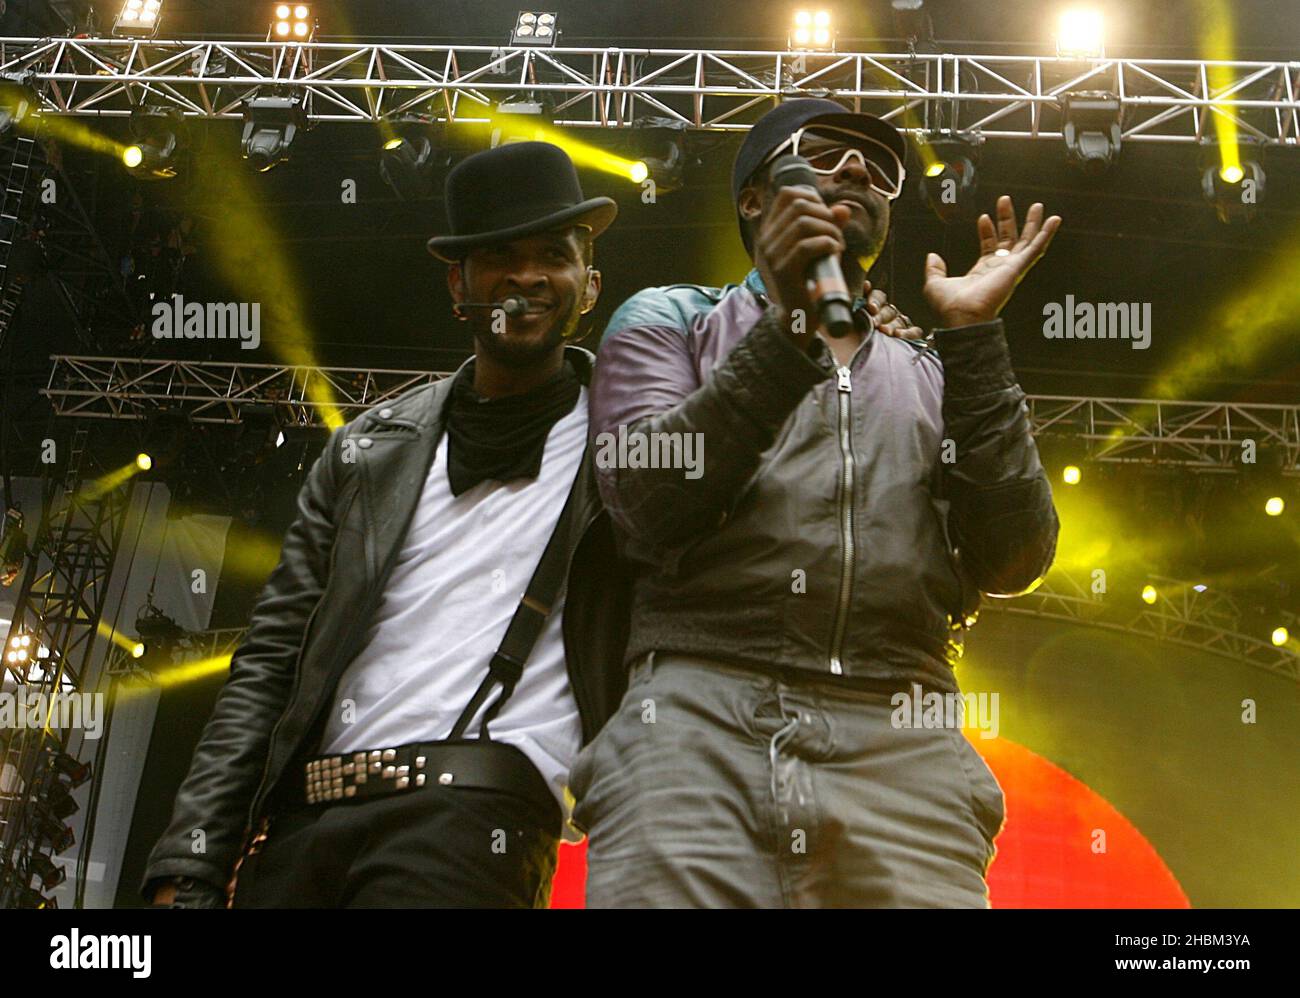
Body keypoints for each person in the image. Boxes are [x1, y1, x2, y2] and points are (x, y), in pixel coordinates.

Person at [572, 97, 1062, 907]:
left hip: (905, 739)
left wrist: (974, 340)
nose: (859, 171)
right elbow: (648, 503)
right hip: (696, 716)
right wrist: (795, 327)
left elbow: (1015, 560)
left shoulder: (934, 369)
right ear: (755, 199)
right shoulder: (671, 319)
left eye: (878, 168)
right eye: (824, 152)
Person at [142, 141, 632, 908]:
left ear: (590, 284)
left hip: (477, 820)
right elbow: (270, 661)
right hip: (304, 823)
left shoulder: (633, 441)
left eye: (553, 255)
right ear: (457, 283)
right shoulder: (367, 451)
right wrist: (190, 860)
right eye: (498, 254)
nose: (527, 275)